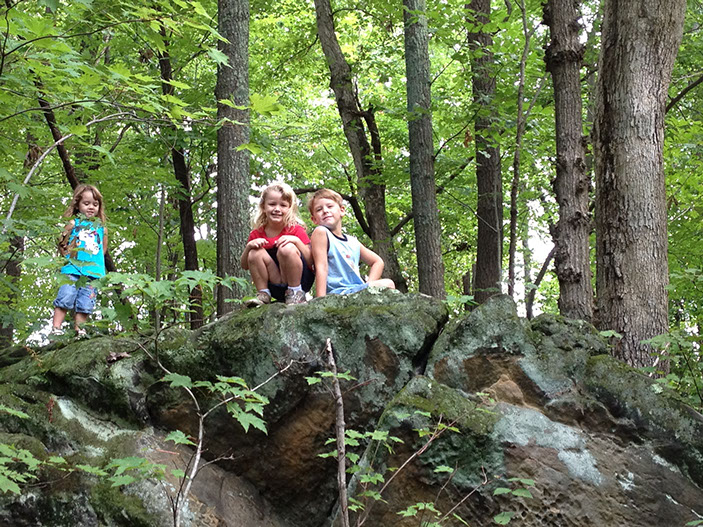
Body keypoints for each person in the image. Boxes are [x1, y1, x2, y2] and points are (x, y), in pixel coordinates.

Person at [308, 188, 395, 297]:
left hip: (356, 290)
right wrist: (321, 300)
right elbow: (321, 267)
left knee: (387, 283)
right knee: (388, 283)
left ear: (342, 210)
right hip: (338, 293)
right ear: (314, 219)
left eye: (330, 206)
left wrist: (369, 285)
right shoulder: (321, 233)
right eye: (319, 209)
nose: (325, 211)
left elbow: (377, 262)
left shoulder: (353, 242)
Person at [241, 182, 313, 306]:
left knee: (287, 248)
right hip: (274, 284)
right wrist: (248, 247)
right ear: (263, 207)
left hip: (299, 281)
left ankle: (295, 293)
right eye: (272, 204)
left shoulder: (295, 230)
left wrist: (295, 241)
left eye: (283, 205)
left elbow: (311, 260)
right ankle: (263, 294)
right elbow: (245, 266)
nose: (277, 209)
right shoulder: (257, 234)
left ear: (289, 208)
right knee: (254, 252)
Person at [51, 184, 108, 336]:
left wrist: (95, 262)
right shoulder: (73, 224)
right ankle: (56, 329)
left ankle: (79, 330)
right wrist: (69, 258)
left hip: (92, 272)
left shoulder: (101, 228)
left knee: (86, 303)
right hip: (72, 269)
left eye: (95, 204)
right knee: (65, 296)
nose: (91, 207)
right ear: (77, 205)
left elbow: (103, 249)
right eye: (86, 203)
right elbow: (62, 243)